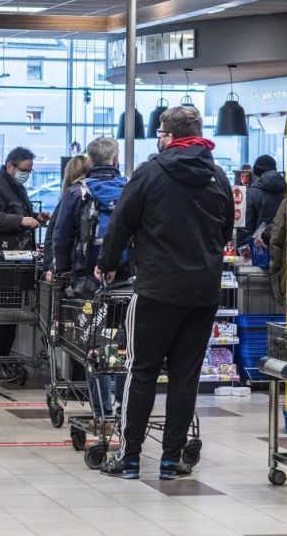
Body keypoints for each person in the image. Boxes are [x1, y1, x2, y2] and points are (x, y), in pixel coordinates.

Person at [96, 106, 233, 480]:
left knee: (141, 372)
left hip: (157, 287)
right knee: (185, 378)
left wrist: (107, 262)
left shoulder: (151, 172)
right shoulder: (217, 176)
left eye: (159, 131)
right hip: (203, 292)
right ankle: (172, 460)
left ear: (168, 136)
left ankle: (130, 458)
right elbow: (225, 232)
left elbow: (122, 221)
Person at [53, 137, 128, 423]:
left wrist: (65, 271)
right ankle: (122, 406)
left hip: (87, 281)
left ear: (91, 160)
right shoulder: (130, 188)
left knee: (94, 344)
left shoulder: (77, 191)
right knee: (118, 342)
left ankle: (102, 410)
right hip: (124, 279)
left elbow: (62, 237)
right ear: (115, 160)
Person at [0, 147, 50, 357]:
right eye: (24, 170)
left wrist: (36, 217)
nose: (27, 175)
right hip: (0, 260)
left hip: (17, 260)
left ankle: (3, 360)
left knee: (11, 317)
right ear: (10, 166)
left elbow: (18, 212)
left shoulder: (17, 188)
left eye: (30, 171)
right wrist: (21, 221)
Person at [42, 155, 90, 281]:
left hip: (73, 268)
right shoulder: (95, 194)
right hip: (91, 264)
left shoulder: (71, 194)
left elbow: (59, 236)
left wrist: (56, 267)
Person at [235, 155, 286, 247]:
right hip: (281, 248)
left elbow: (245, 229)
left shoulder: (251, 194)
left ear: (256, 173)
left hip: (257, 250)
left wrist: (242, 252)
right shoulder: (286, 190)